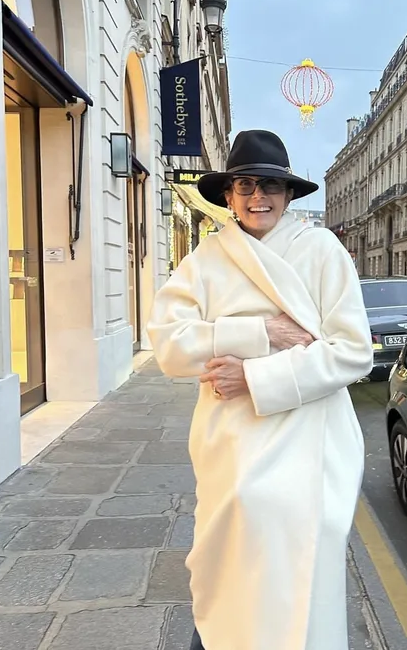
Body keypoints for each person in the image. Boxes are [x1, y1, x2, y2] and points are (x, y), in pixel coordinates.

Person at [147, 130, 373, 650]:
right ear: (228, 195)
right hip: (229, 442)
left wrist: (253, 377)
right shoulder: (207, 259)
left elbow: (353, 352)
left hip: (308, 438)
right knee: (227, 570)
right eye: (245, 185)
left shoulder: (322, 249)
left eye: (270, 185)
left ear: (288, 194)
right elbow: (169, 345)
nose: (257, 197)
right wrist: (260, 333)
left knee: (298, 576)